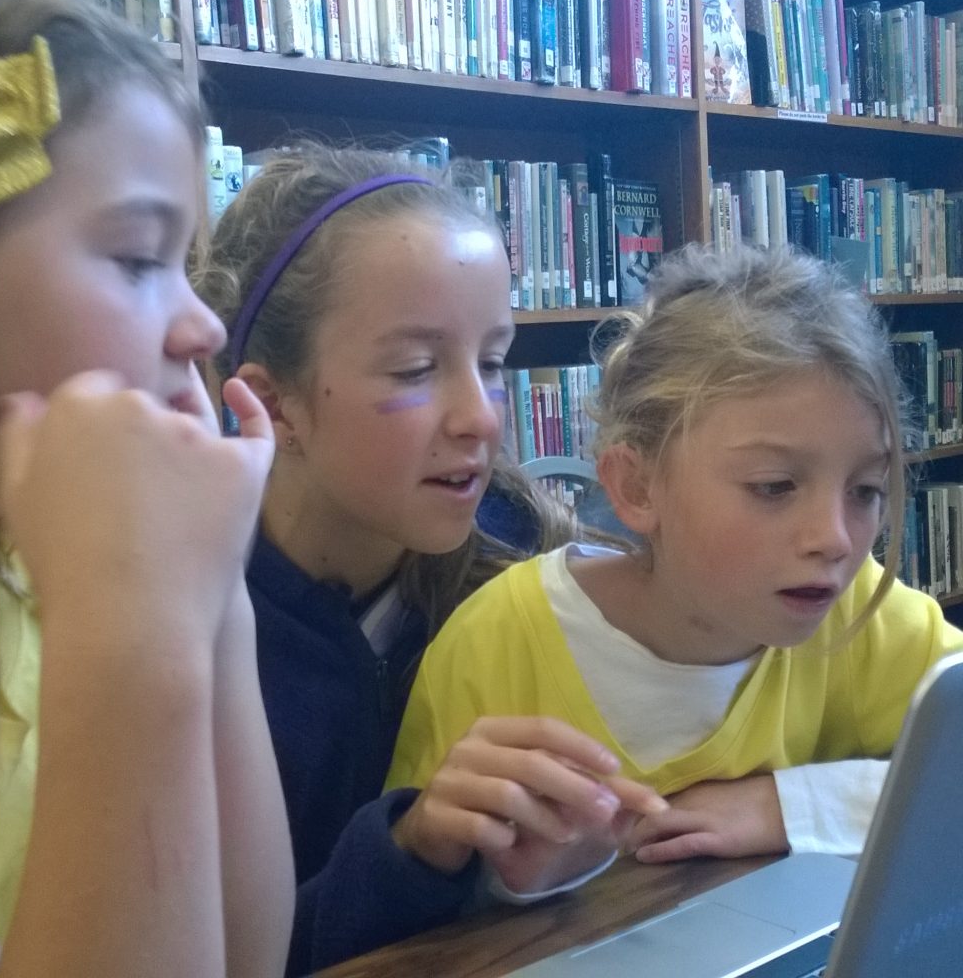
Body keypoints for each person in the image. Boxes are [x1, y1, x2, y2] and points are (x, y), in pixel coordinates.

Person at [193, 143, 669, 975]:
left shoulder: (520, 550)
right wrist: (409, 851)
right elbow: (221, 957)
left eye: (491, 363)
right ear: (273, 404)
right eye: (417, 368)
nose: (483, 419)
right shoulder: (193, 630)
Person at [387, 241, 963, 872]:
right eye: (773, 487)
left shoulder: (856, 613)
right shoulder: (497, 642)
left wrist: (792, 805)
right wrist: (504, 876)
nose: (836, 538)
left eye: (866, 491)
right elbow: (417, 882)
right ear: (637, 487)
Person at [0, 0, 292, 975]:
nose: (205, 322)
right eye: (140, 259)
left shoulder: (35, 581)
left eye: (191, 263)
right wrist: (137, 640)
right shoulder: (93, 607)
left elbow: (244, 957)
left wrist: (215, 598)